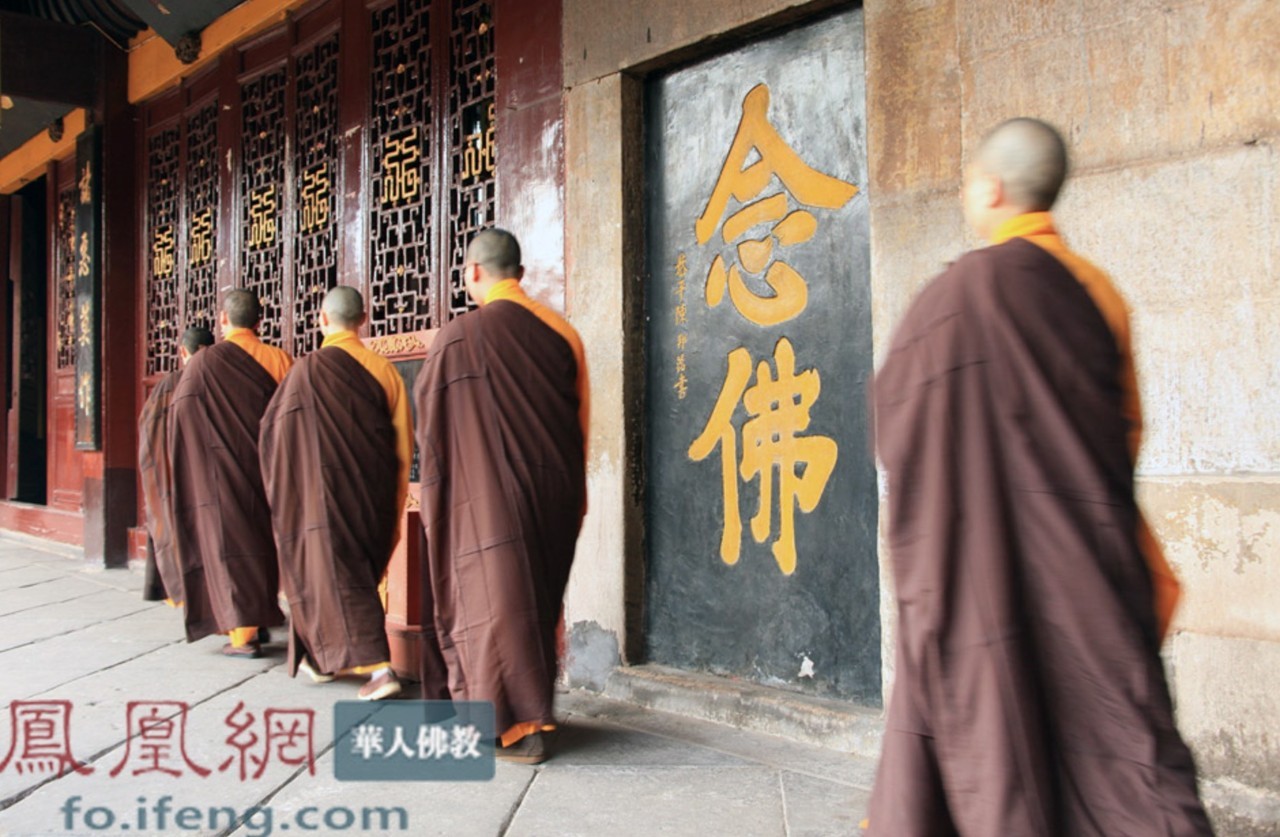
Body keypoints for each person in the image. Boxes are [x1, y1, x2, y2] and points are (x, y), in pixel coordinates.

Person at [866, 118, 1211, 835]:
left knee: (987, 727)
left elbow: (895, 422)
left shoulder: (949, 303)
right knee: (1119, 744)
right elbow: (1125, 437)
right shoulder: (1097, 292)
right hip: (1087, 560)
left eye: (968, 183)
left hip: (974, 562)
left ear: (990, 188)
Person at [415, 228, 589, 764]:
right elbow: (580, 422)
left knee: (492, 600)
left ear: (472, 273)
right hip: (552, 489)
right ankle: (523, 709)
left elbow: (432, 426)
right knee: (527, 602)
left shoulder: (455, 337)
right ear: (520, 272)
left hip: (481, 490)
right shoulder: (562, 332)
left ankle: (517, 725)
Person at [259, 286, 412, 701]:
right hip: (370, 497)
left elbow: (273, 437)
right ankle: (317, 657)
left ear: (322, 321)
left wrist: (286, 491)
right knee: (335, 572)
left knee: (335, 574)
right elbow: (403, 445)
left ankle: (380, 669)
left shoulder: (302, 373)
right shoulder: (384, 370)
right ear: (362, 320)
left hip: (311, 498)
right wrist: (394, 505)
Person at [169, 289, 293, 659]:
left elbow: (184, 413)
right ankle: (264, 613)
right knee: (265, 544)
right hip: (268, 467)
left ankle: (243, 637)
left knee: (233, 547)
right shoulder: (280, 358)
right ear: (260, 321)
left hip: (224, 467)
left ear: (223, 320)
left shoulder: (204, 364)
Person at [139, 326, 214, 604]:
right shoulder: (217, 381)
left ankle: (180, 593)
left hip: (171, 476)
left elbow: (149, 436)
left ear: (183, 351)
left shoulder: (169, 385)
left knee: (172, 527)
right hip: (209, 479)